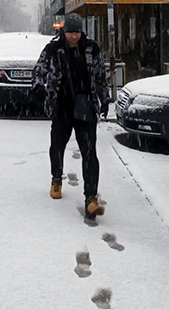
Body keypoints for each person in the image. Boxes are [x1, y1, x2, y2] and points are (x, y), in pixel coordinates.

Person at [32, 13, 110, 220]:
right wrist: (39, 87)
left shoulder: (92, 48)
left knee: (89, 152)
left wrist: (105, 99)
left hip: (85, 106)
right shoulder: (53, 49)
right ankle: (56, 178)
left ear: (81, 31)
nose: (73, 36)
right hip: (61, 105)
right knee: (57, 145)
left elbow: (101, 75)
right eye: (70, 33)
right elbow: (40, 69)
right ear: (63, 32)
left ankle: (91, 199)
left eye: (76, 32)